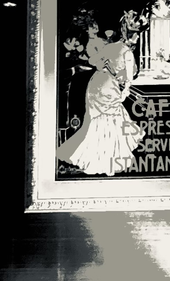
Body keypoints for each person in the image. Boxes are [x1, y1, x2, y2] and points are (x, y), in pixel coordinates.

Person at [57, 24, 143, 176]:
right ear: (132, 37)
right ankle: (106, 158)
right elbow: (129, 78)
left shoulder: (109, 47)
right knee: (111, 120)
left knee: (96, 122)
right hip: (108, 87)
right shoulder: (127, 53)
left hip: (95, 85)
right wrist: (125, 88)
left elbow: (92, 61)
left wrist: (101, 66)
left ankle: (96, 155)